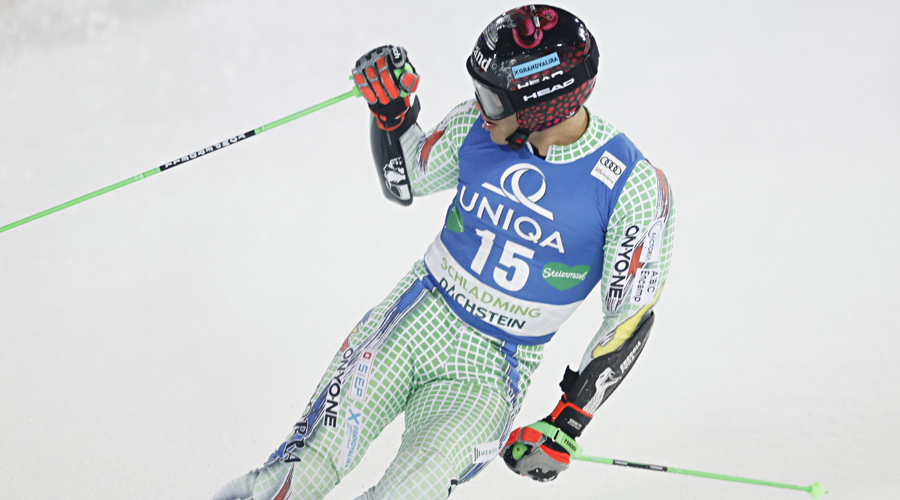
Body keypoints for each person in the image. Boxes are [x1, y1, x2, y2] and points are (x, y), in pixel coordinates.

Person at [211, 5, 675, 500]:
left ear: (543, 105)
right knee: (298, 474)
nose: (479, 109)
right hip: (414, 321)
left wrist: (567, 422)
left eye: (492, 99)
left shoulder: (632, 186)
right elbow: (407, 179)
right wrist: (392, 113)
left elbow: (629, 317)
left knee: (409, 491)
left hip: (492, 371)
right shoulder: (476, 125)